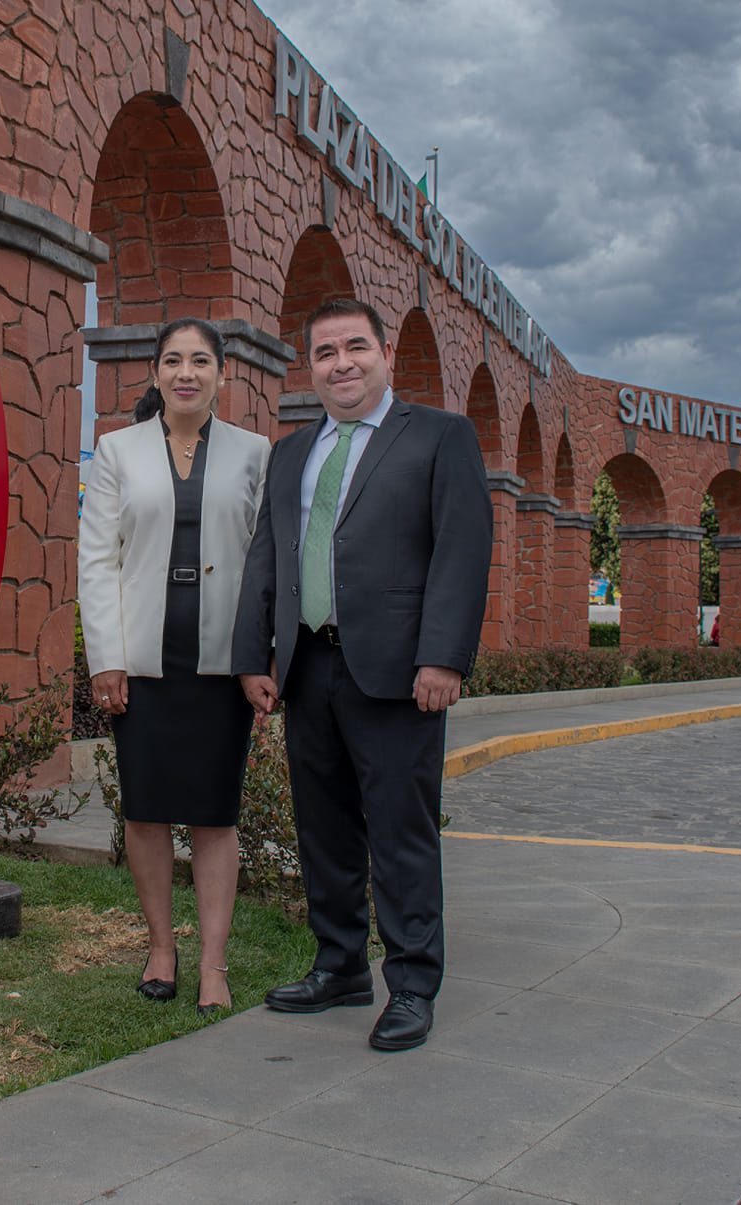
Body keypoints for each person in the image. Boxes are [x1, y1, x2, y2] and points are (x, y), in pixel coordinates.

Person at [232, 297, 491, 1052]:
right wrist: (255, 656)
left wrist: (443, 655)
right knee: (325, 827)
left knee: (401, 829)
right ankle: (339, 963)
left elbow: (462, 552)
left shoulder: (441, 437)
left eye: (355, 347)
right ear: (308, 367)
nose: (340, 363)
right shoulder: (290, 452)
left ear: (384, 354)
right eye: (324, 352)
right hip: (310, 666)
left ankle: (411, 981)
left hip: (400, 672)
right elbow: (266, 558)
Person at [79, 318, 270, 1016]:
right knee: (149, 809)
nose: (185, 372)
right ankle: (162, 947)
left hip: (222, 665)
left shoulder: (255, 452)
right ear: (156, 373)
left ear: (221, 373)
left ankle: (213, 964)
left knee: (216, 815)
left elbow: (264, 564)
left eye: (199, 360)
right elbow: (97, 557)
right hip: (144, 662)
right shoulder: (116, 450)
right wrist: (107, 658)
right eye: (172, 361)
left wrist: (260, 655)